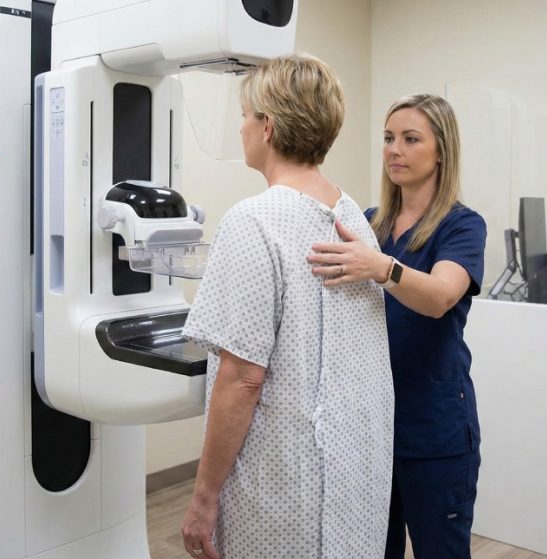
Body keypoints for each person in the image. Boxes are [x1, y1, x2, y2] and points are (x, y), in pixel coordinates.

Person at [179, 53, 394, 559]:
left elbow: (242, 377)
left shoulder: (254, 221)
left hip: (285, 480)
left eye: (245, 116)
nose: (240, 129)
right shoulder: (351, 215)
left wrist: (203, 499)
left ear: (267, 127)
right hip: (353, 470)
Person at [307, 94, 487, 558]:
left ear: (441, 150)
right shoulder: (371, 222)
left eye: (410, 139)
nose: (394, 150)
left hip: (434, 427)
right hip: (372, 423)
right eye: (389, 138)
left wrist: (382, 268)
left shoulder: (462, 226)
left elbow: (440, 297)